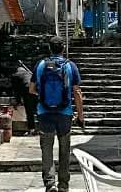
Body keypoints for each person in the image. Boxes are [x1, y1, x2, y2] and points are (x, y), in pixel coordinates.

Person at [30, 37, 83, 192]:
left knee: (47, 149)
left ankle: (50, 184)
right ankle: (63, 185)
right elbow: (77, 93)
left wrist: (43, 95)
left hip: (44, 113)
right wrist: (81, 116)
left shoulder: (41, 65)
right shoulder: (70, 66)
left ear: (50, 48)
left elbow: (31, 89)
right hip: (65, 113)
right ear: (63, 48)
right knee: (64, 150)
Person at [11, 61, 38, 134]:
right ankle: (42, 129)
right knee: (38, 110)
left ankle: (32, 129)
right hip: (36, 91)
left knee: (29, 111)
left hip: (27, 92)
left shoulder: (16, 75)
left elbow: (16, 90)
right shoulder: (29, 73)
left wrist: (18, 101)